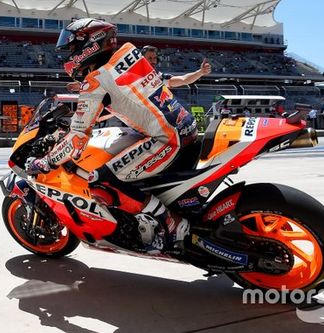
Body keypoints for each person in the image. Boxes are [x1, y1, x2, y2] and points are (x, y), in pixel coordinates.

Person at [25, 18, 197, 253]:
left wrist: (45, 161)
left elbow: (77, 140)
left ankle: (172, 224)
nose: (69, 55)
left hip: (166, 140)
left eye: (73, 48)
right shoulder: (130, 53)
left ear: (91, 44)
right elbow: (128, 96)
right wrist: (89, 96)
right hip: (184, 125)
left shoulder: (95, 81)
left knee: (100, 181)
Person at [141, 45, 212, 88]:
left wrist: (200, 72)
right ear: (142, 59)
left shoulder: (159, 77)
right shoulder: (131, 73)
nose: (153, 61)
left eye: (155, 58)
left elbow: (184, 80)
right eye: (150, 58)